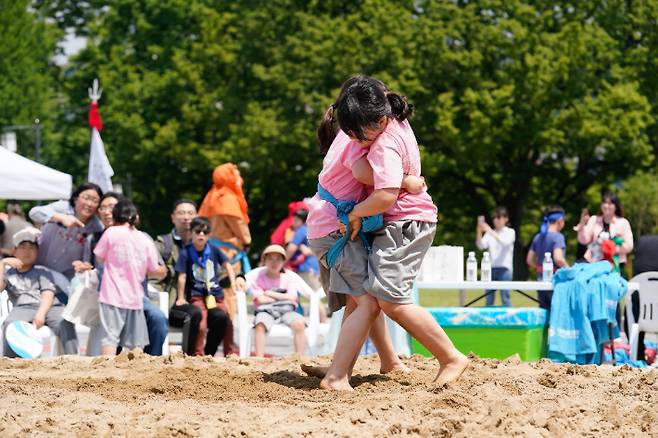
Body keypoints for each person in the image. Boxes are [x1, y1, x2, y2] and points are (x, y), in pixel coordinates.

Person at [310, 76, 468, 390]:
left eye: (357, 133)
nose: (355, 139)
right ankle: (354, 366)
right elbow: (378, 181)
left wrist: (362, 208)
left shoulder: (380, 140)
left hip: (399, 222)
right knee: (368, 299)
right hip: (362, 224)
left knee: (383, 300)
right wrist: (408, 179)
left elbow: (383, 191)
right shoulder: (390, 126)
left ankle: (448, 357)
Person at [73, 192, 169, 356]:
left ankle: (111, 368)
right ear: (135, 217)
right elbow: (152, 267)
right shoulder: (141, 239)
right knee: (137, 340)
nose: (106, 211)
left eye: (110, 207)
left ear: (116, 214)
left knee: (111, 336)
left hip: (112, 295)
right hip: (133, 297)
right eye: (102, 208)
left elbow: (100, 258)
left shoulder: (111, 234)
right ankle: (138, 368)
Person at [0, 227, 78, 356]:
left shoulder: (43, 271)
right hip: (23, 308)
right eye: (23, 247)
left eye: (32, 248)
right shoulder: (9, 273)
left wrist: (41, 314)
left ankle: (74, 359)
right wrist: (2, 264)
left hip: (50, 307)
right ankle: (10, 363)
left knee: (65, 321)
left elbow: (48, 294)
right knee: (9, 324)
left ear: (37, 252)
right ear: (14, 251)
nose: (27, 252)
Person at [175, 216, 236, 356]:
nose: (201, 235)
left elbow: (227, 265)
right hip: (197, 295)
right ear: (191, 233)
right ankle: (198, 355)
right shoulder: (186, 253)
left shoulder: (214, 250)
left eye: (205, 232)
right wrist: (180, 297)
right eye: (198, 231)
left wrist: (233, 283)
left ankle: (230, 354)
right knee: (201, 326)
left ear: (209, 235)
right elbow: (182, 276)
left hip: (215, 295)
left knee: (227, 321)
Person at [153, 199, 202, 356]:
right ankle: (188, 357)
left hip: (199, 298)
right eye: (181, 213)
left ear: (197, 216)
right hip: (172, 301)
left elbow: (218, 270)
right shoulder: (163, 244)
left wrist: (239, 277)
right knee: (193, 313)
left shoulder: (204, 244)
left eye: (190, 213)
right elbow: (149, 270)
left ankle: (210, 357)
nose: (186, 217)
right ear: (173, 217)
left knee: (220, 316)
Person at [29, 182, 105, 281]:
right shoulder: (63, 208)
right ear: (76, 198)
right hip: (37, 270)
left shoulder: (96, 227)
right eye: (86, 198)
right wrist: (60, 218)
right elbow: (34, 212)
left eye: (95, 201)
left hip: (65, 279)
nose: (89, 204)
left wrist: (84, 264)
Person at [248, 245, 307, 357]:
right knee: (260, 324)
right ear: (264, 260)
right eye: (270, 259)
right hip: (266, 310)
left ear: (283, 261)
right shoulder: (259, 278)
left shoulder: (288, 278)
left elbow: (292, 297)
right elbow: (260, 299)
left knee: (299, 323)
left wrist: (270, 293)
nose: (274, 263)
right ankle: (259, 357)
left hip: (287, 310)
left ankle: (300, 357)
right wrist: (282, 296)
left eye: (278, 259)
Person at [575, 191, 634, 277]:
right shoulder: (594, 219)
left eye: (610, 203)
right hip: (594, 263)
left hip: (616, 264)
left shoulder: (623, 222)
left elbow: (629, 245)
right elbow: (583, 240)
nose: (606, 206)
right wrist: (582, 224)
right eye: (604, 203)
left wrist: (610, 249)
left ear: (616, 206)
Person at [526, 205, 569, 309]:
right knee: (556, 314)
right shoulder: (558, 237)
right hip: (555, 282)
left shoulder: (538, 237)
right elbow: (558, 258)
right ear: (560, 221)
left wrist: (540, 267)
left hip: (540, 281)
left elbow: (529, 260)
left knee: (544, 312)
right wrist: (570, 269)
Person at [475, 207, 516, 306]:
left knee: (505, 297)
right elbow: (480, 246)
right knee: (489, 299)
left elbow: (505, 242)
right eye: (494, 217)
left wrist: (489, 231)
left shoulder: (510, 232)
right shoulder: (490, 233)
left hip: (505, 269)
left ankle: (508, 320)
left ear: (506, 219)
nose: (496, 220)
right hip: (490, 268)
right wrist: (479, 231)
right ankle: (489, 320)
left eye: (499, 217)